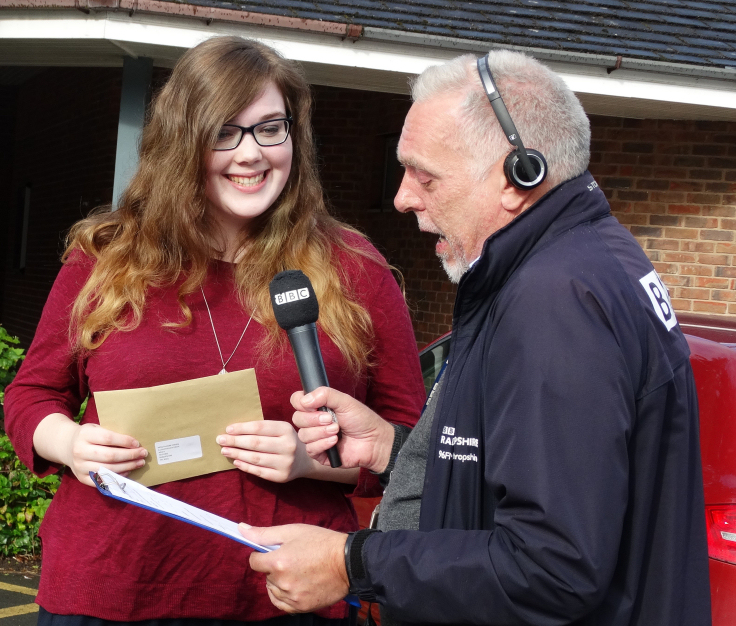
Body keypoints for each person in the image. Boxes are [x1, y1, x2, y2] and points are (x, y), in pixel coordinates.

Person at [240, 49, 712, 626]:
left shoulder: (555, 302)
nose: (402, 197)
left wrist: (350, 562)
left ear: (520, 176)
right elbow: (530, 481)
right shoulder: (589, 260)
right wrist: (395, 451)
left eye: (425, 174)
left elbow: (552, 567)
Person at [3, 36, 425, 626]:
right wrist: (70, 445)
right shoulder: (107, 257)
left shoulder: (356, 268)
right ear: (183, 142)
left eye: (270, 128)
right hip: (113, 586)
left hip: (285, 590)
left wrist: (314, 461)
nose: (251, 154)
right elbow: (31, 395)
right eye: (224, 132)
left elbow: (411, 446)